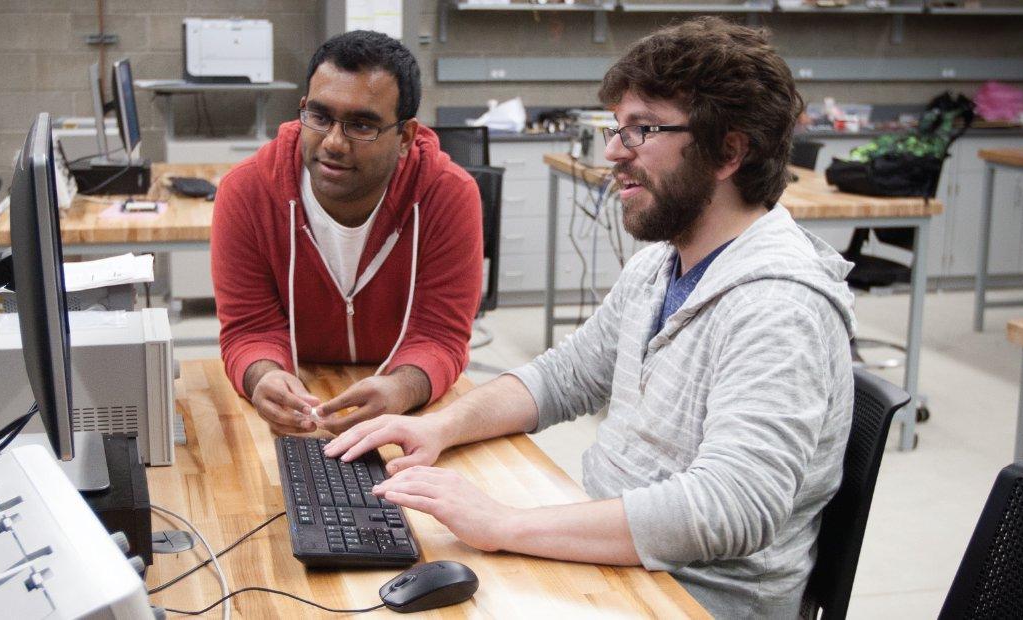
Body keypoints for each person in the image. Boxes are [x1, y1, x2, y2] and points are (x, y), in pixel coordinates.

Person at [324, 17, 856, 618]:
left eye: (642, 130)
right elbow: (564, 376)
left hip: (692, 599)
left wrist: (505, 524)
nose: (611, 152)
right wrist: (439, 429)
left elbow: (728, 507)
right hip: (618, 564)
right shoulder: (664, 264)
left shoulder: (779, 307)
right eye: (616, 128)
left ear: (729, 151)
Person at [211, 30, 483, 436]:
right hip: (296, 408)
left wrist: (401, 388)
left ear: (405, 136)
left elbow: (441, 336)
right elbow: (250, 329)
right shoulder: (247, 192)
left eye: (361, 125)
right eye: (320, 117)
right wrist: (261, 376)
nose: (334, 143)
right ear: (303, 109)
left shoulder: (449, 195)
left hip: (406, 415)